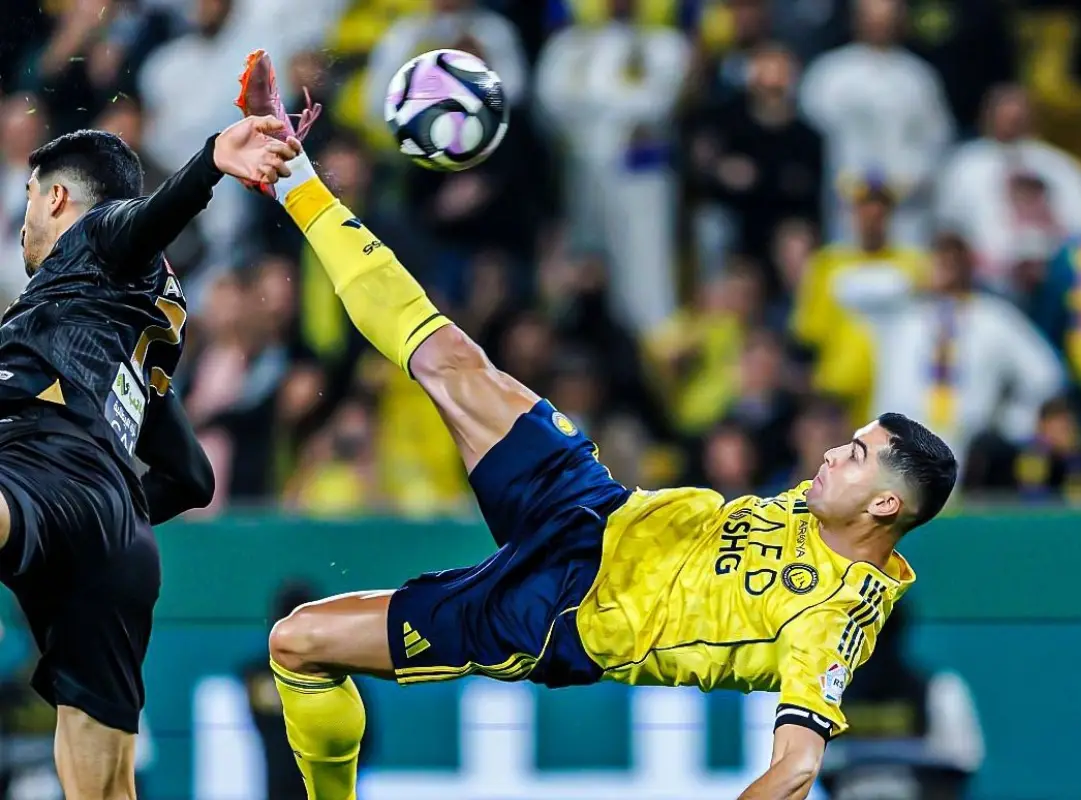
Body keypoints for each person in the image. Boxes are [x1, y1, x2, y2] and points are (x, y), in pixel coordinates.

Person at [236, 49, 958, 800]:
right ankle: (290, 170)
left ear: (885, 506)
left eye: (854, 456)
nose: (831, 458)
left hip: (556, 609)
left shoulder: (832, 616)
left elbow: (798, 766)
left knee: (298, 641)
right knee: (451, 358)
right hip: (592, 506)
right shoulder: (819, 511)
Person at [0, 109, 299, 798]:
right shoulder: (140, 334)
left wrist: (210, 163)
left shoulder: (94, 239)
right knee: (101, 784)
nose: (23, 225)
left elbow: (140, 222)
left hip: (44, 469)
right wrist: (109, 510)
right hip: (119, 539)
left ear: (56, 197)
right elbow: (191, 479)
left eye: (27, 201)